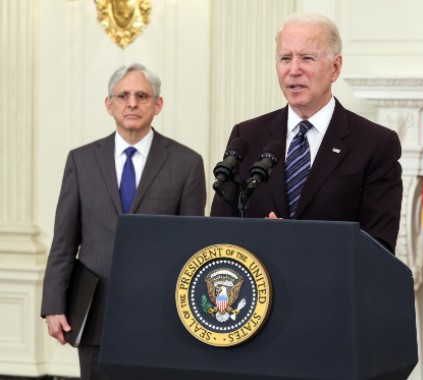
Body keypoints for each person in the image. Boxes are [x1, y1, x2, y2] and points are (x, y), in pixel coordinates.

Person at [41, 63, 206, 379]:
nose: (132, 103)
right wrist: (53, 303)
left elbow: (192, 249)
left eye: (142, 96)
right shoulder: (82, 160)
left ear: (157, 105)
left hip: (161, 318)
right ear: (109, 104)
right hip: (94, 315)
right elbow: (63, 241)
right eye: (123, 95)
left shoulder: (186, 164)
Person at [210, 13, 402, 253]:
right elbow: (218, 233)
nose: (293, 70)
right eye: (285, 58)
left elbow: (379, 245)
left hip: (331, 287)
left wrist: (296, 242)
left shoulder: (375, 144)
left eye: (307, 58)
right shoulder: (247, 136)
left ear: (335, 67)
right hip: (258, 287)